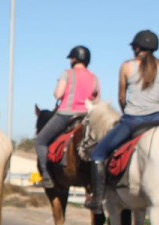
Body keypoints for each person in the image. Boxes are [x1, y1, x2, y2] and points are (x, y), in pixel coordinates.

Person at [86, 30, 159, 212]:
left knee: (97, 154)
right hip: (157, 120)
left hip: (133, 122)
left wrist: (127, 112)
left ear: (135, 48)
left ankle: (97, 199)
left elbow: (121, 97)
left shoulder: (127, 67)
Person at [35, 46, 100, 188]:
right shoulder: (94, 77)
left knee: (40, 141)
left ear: (74, 59)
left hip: (66, 114)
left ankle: (46, 177)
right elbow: (97, 101)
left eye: (71, 58)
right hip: (87, 116)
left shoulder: (67, 73)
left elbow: (57, 94)